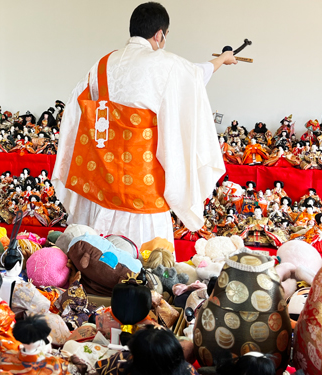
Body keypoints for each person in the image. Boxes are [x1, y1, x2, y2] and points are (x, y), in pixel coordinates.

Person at [52, 2, 236, 248]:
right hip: (144, 188)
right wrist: (222, 60)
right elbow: (195, 76)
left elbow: (78, 112)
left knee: (97, 260)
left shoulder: (103, 64)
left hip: (104, 184)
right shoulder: (167, 65)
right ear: (160, 34)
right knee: (147, 261)